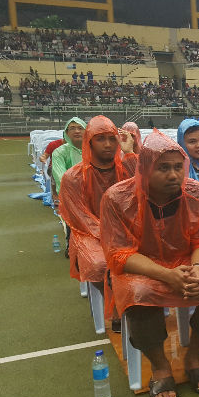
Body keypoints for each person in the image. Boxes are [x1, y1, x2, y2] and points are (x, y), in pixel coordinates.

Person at [100, 130, 199, 397]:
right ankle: (160, 366)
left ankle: (194, 355)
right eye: (163, 168)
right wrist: (166, 275)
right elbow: (119, 253)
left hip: (187, 262)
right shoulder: (117, 198)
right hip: (141, 267)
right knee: (138, 294)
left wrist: (197, 269)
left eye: (177, 167)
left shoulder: (196, 193)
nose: (174, 175)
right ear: (145, 169)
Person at [58, 116, 136, 331]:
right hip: (89, 233)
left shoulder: (126, 168)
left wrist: (129, 153)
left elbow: (146, 185)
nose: (109, 145)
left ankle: (142, 302)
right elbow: (79, 216)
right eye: (100, 139)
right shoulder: (73, 177)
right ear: (89, 142)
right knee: (101, 264)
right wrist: (109, 234)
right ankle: (118, 307)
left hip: (125, 230)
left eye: (112, 138)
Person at [51, 117, 87, 194]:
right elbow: (61, 178)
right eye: (72, 128)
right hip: (70, 194)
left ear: (86, 131)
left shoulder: (94, 150)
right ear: (67, 133)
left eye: (80, 128)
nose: (77, 131)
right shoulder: (59, 152)